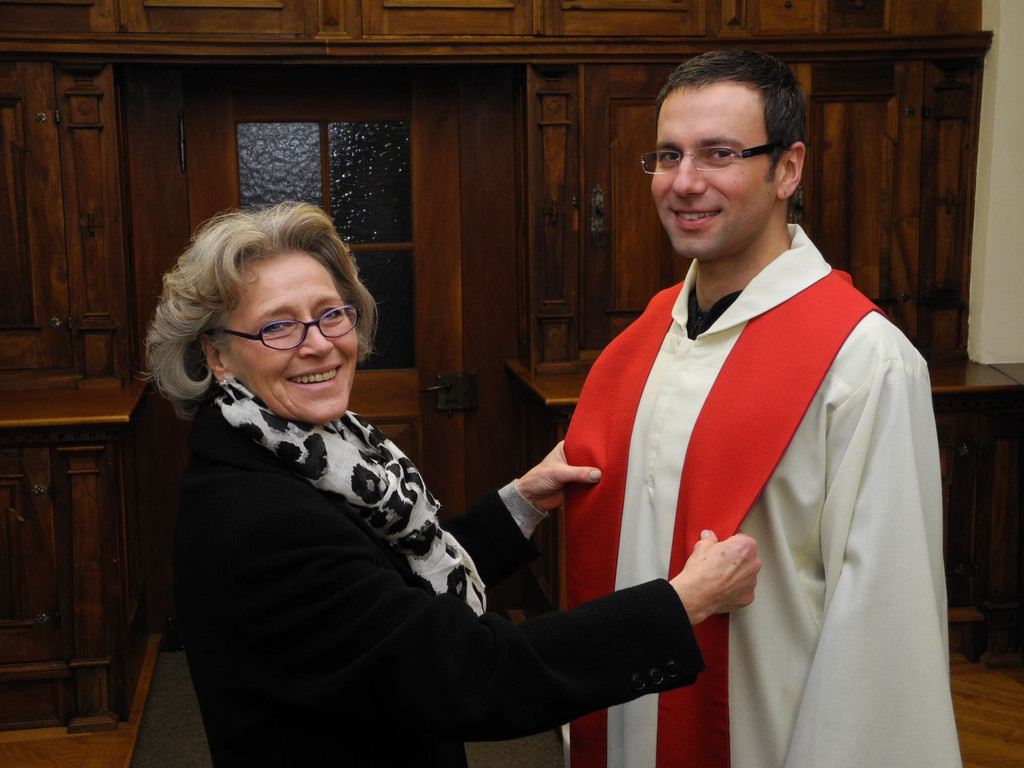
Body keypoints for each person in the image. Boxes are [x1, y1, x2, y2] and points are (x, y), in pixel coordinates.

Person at [144, 201, 761, 768]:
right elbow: (472, 671)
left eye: (331, 314)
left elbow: (391, 577)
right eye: (278, 327)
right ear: (217, 355)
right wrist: (680, 605)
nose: (320, 345)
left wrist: (521, 504)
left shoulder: (309, 448)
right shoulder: (260, 520)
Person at [563, 49, 961, 768]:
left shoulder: (863, 361)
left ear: (788, 169)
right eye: (668, 155)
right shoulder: (644, 342)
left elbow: (882, 620)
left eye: (720, 154)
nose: (685, 182)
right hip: (628, 725)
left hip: (764, 737)